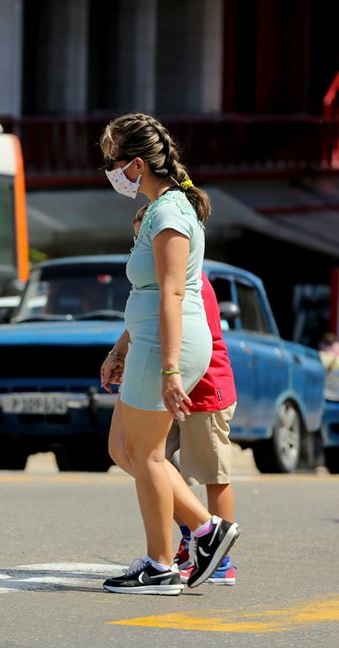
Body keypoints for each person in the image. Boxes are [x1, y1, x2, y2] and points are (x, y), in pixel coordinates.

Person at [96, 112, 240, 595]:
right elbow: (146, 294)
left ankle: (161, 565)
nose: (110, 171)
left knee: (147, 455)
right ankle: (207, 530)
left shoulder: (169, 213)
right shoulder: (161, 210)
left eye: (113, 161)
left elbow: (173, 293)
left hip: (166, 345)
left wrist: (171, 369)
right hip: (148, 342)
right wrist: (119, 348)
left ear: (137, 164)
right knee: (124, 449)